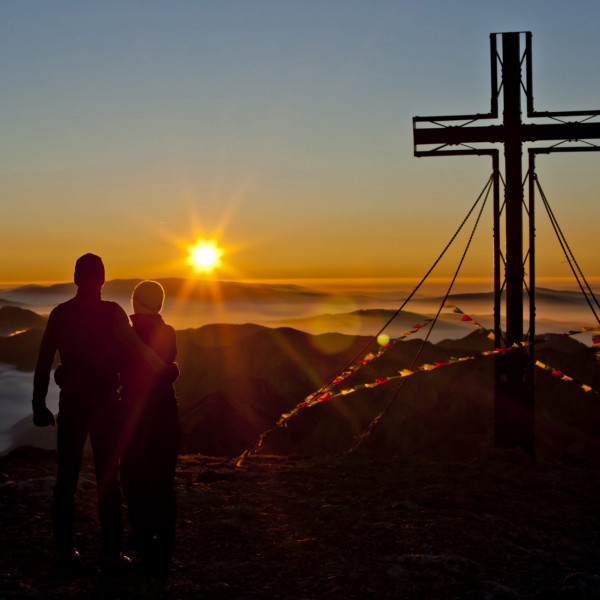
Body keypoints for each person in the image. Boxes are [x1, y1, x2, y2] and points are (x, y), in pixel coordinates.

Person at [32, 254, 165, 568]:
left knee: (67, 477)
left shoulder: (61, 314)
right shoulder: (113, 312)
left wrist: (39, 404)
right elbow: (134, 349)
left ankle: (64, 548)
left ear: (76, 278)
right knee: (108, 477)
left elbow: (42, 361)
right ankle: (111, 551)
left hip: (73, 402)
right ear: (103, 279)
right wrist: (162, 369)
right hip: (106, 404)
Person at [119, 280, 180, 575]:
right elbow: (168, 370)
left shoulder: (129, 335)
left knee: (133, 475)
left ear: (136, 302)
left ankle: (142, 535)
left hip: (136, 415)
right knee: (163, 479)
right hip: (167, 413)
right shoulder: (168, 333)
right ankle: (165, 538)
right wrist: (172, 370)